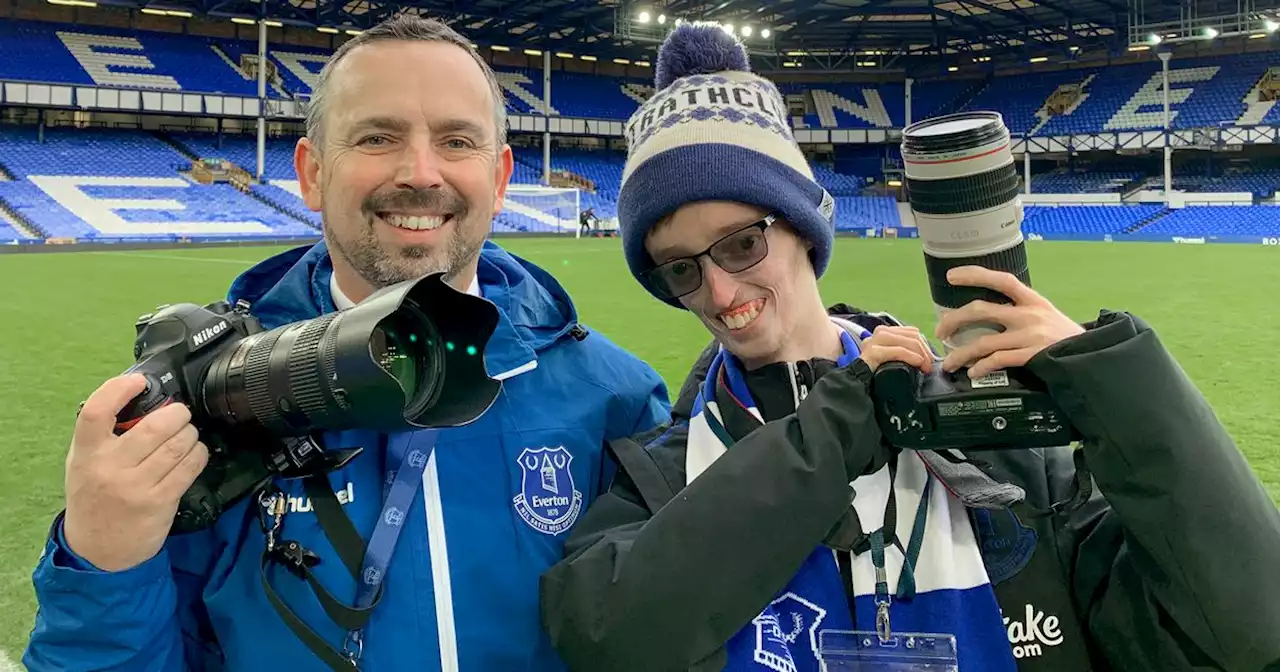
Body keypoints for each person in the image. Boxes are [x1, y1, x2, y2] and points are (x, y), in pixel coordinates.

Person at [540, 22, 1280, 672]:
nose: (720, 293)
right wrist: (830, 432)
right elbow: (609, 634)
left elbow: (1246, 628)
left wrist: (1115, 381)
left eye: (740, 244)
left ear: (805, 226)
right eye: (680, 269)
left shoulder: (996, 441)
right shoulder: (660, 475)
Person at [25, 15, 670, 672]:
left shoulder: (615, 399)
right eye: (377, 137)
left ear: (500, 178)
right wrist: (102, 558)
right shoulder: (204, 413)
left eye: (456, 140)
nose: (421, 172)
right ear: (312, 172)